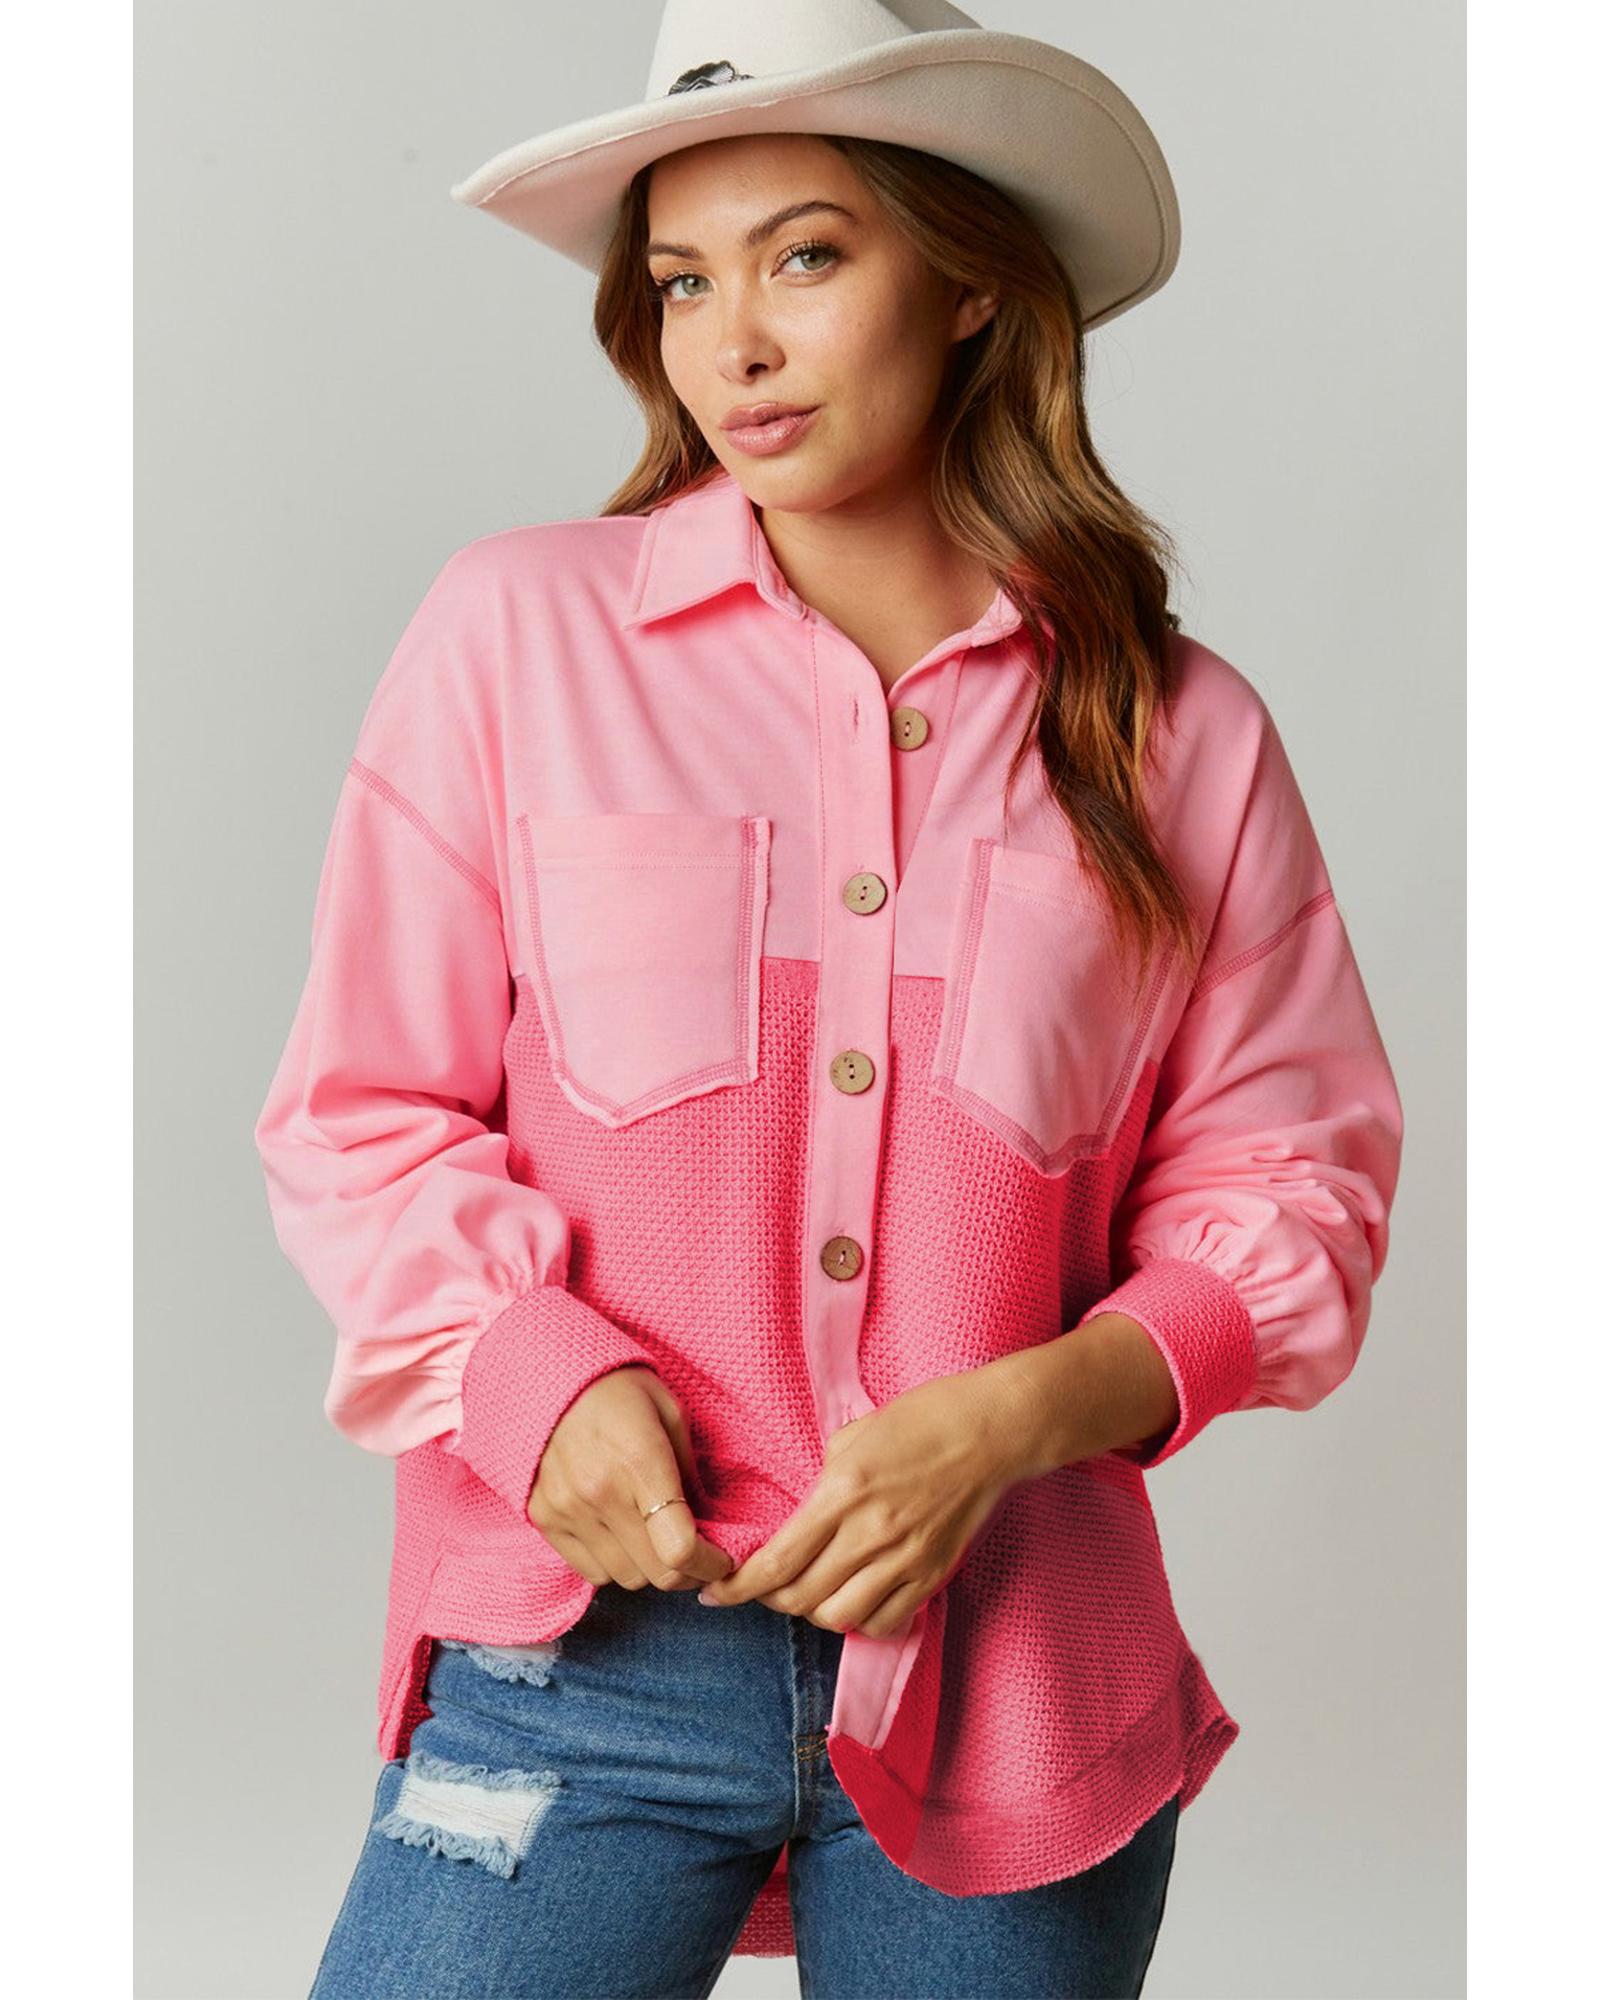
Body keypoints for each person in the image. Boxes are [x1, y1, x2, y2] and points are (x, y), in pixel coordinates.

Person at [253, 4, 1405, 1995]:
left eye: (803, 257)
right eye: (682, 282)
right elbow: (358, 1113)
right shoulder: (519, 637)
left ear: (969, 283)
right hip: (584, 1660)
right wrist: (535, 1374)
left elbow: (1292, 1188)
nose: (734, 344)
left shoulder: (1173, 733)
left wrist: (1014, 1414)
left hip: (1016, 1679)